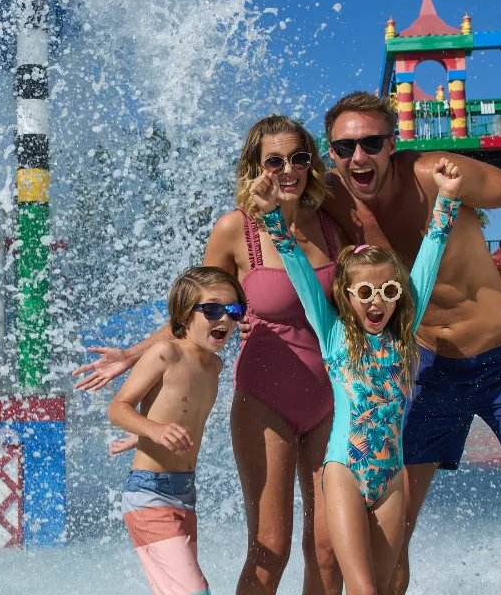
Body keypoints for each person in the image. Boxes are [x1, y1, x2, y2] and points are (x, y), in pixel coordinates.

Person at [319, 92, 501, 595]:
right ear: (331, 153)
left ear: (392, 143)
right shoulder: (329, 196)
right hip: (420, 372)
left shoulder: (438, 173)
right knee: (385, 542)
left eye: (371, 142)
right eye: (344, 147)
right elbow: (264, 227)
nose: (358, 157)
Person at [78, 115, 346, 595]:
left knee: (328, 551)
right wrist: (134, 354)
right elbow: (197, 309)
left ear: (311, 162)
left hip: (331, 400)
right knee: (272, 547)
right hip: (267, 403)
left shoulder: (330, 225)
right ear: (255, 167)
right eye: (274, 160)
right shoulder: (234, 229)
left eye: (299, 158)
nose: (288, 169)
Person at [253, 159, 462, 595]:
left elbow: (429, 257)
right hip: (345, 471)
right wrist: (272, 216)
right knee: (363, 589)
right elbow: (297, 268)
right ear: (348, 297)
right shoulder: (334, 335)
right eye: (365, 292)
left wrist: (446, 198)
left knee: (383, 590)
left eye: (388, 292)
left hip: (390, 479)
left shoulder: (404, 333)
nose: (377, 302)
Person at [108, 267, 247, 595]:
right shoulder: (165, 353)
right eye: (212, 309)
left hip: (184, 493)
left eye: (234, 310)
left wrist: (145, 432)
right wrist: (152, 430)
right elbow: (117, 407)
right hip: (149, 493)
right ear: (184, 316)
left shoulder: (214, 366)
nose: (224, 319)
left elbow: (174, 411)